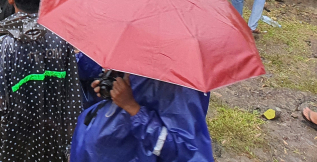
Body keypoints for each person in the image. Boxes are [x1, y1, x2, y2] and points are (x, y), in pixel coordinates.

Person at [0, 0, 81, 162]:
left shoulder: (5, 45)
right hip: (52, 131)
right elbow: (72, 92)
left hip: (16, 135)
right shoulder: (61, 40)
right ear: (44, 0)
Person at [71, 61, 213, 162]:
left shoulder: (183, 85)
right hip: (98, 145)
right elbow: (142, 93)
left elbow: (184, 151)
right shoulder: (145, 54)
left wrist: (133, 108)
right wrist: (114, 86)